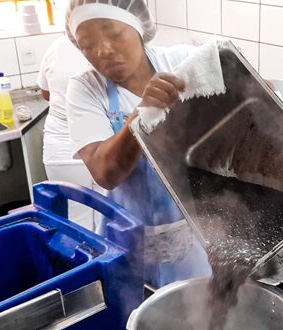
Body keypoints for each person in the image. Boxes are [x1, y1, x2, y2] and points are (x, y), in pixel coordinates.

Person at [64, 0, 210, 287]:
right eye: (87, 45)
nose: (103, 51)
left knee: (199, 319)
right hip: (126, 246)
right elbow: (105, 173)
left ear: (138, 28)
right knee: (133, 324)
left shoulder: (180, 64)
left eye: (114, 34)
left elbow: (246, 91)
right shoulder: (85, 89)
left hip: (192, 240)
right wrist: (140, 116)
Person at [37, 34, 98, 230]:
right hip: (100, 146)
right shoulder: (108, 49)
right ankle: (104, 260)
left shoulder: (56, 47)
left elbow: (45, 93)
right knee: (107, 219)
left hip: (60, 150)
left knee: (74, 219)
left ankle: (81, 260)